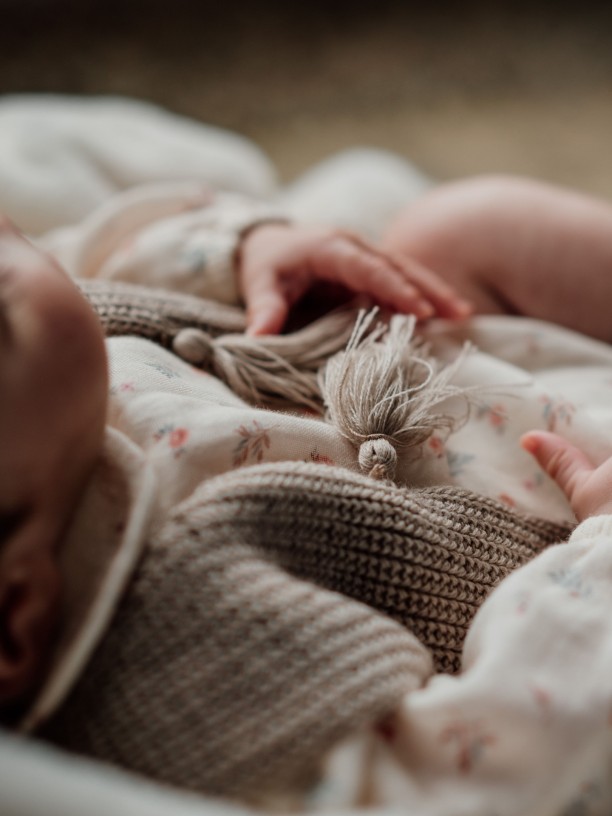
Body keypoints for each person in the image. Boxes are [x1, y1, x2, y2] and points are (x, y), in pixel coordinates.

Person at [2, 157, 612, 816]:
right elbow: (471, 770)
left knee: (460, 230)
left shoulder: (75, 343)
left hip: (431, 360)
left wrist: (242, 251)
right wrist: (599, 559)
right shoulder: (180, 681)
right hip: (560, 548)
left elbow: (88, 252)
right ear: (13, 615)